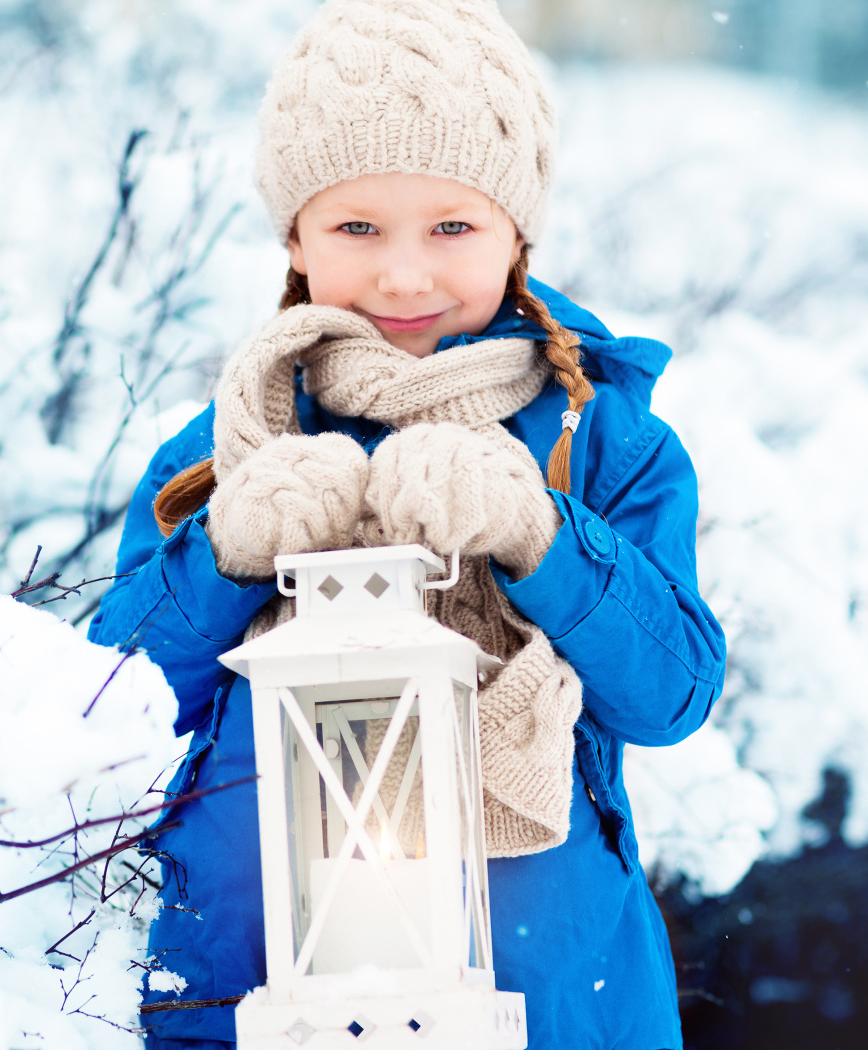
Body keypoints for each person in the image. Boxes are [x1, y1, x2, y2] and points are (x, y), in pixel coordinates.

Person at [85, 2, 727, 1048]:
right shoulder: (222, 448)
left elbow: (672, 696)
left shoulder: (600, 438)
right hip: (242, 997)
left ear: (519, 232)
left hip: (546, 1003)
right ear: (294, 237)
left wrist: (541, 536)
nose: (404, 273)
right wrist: (223, 557)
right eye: (356, 228)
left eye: (452, 227)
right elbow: (101, 714)